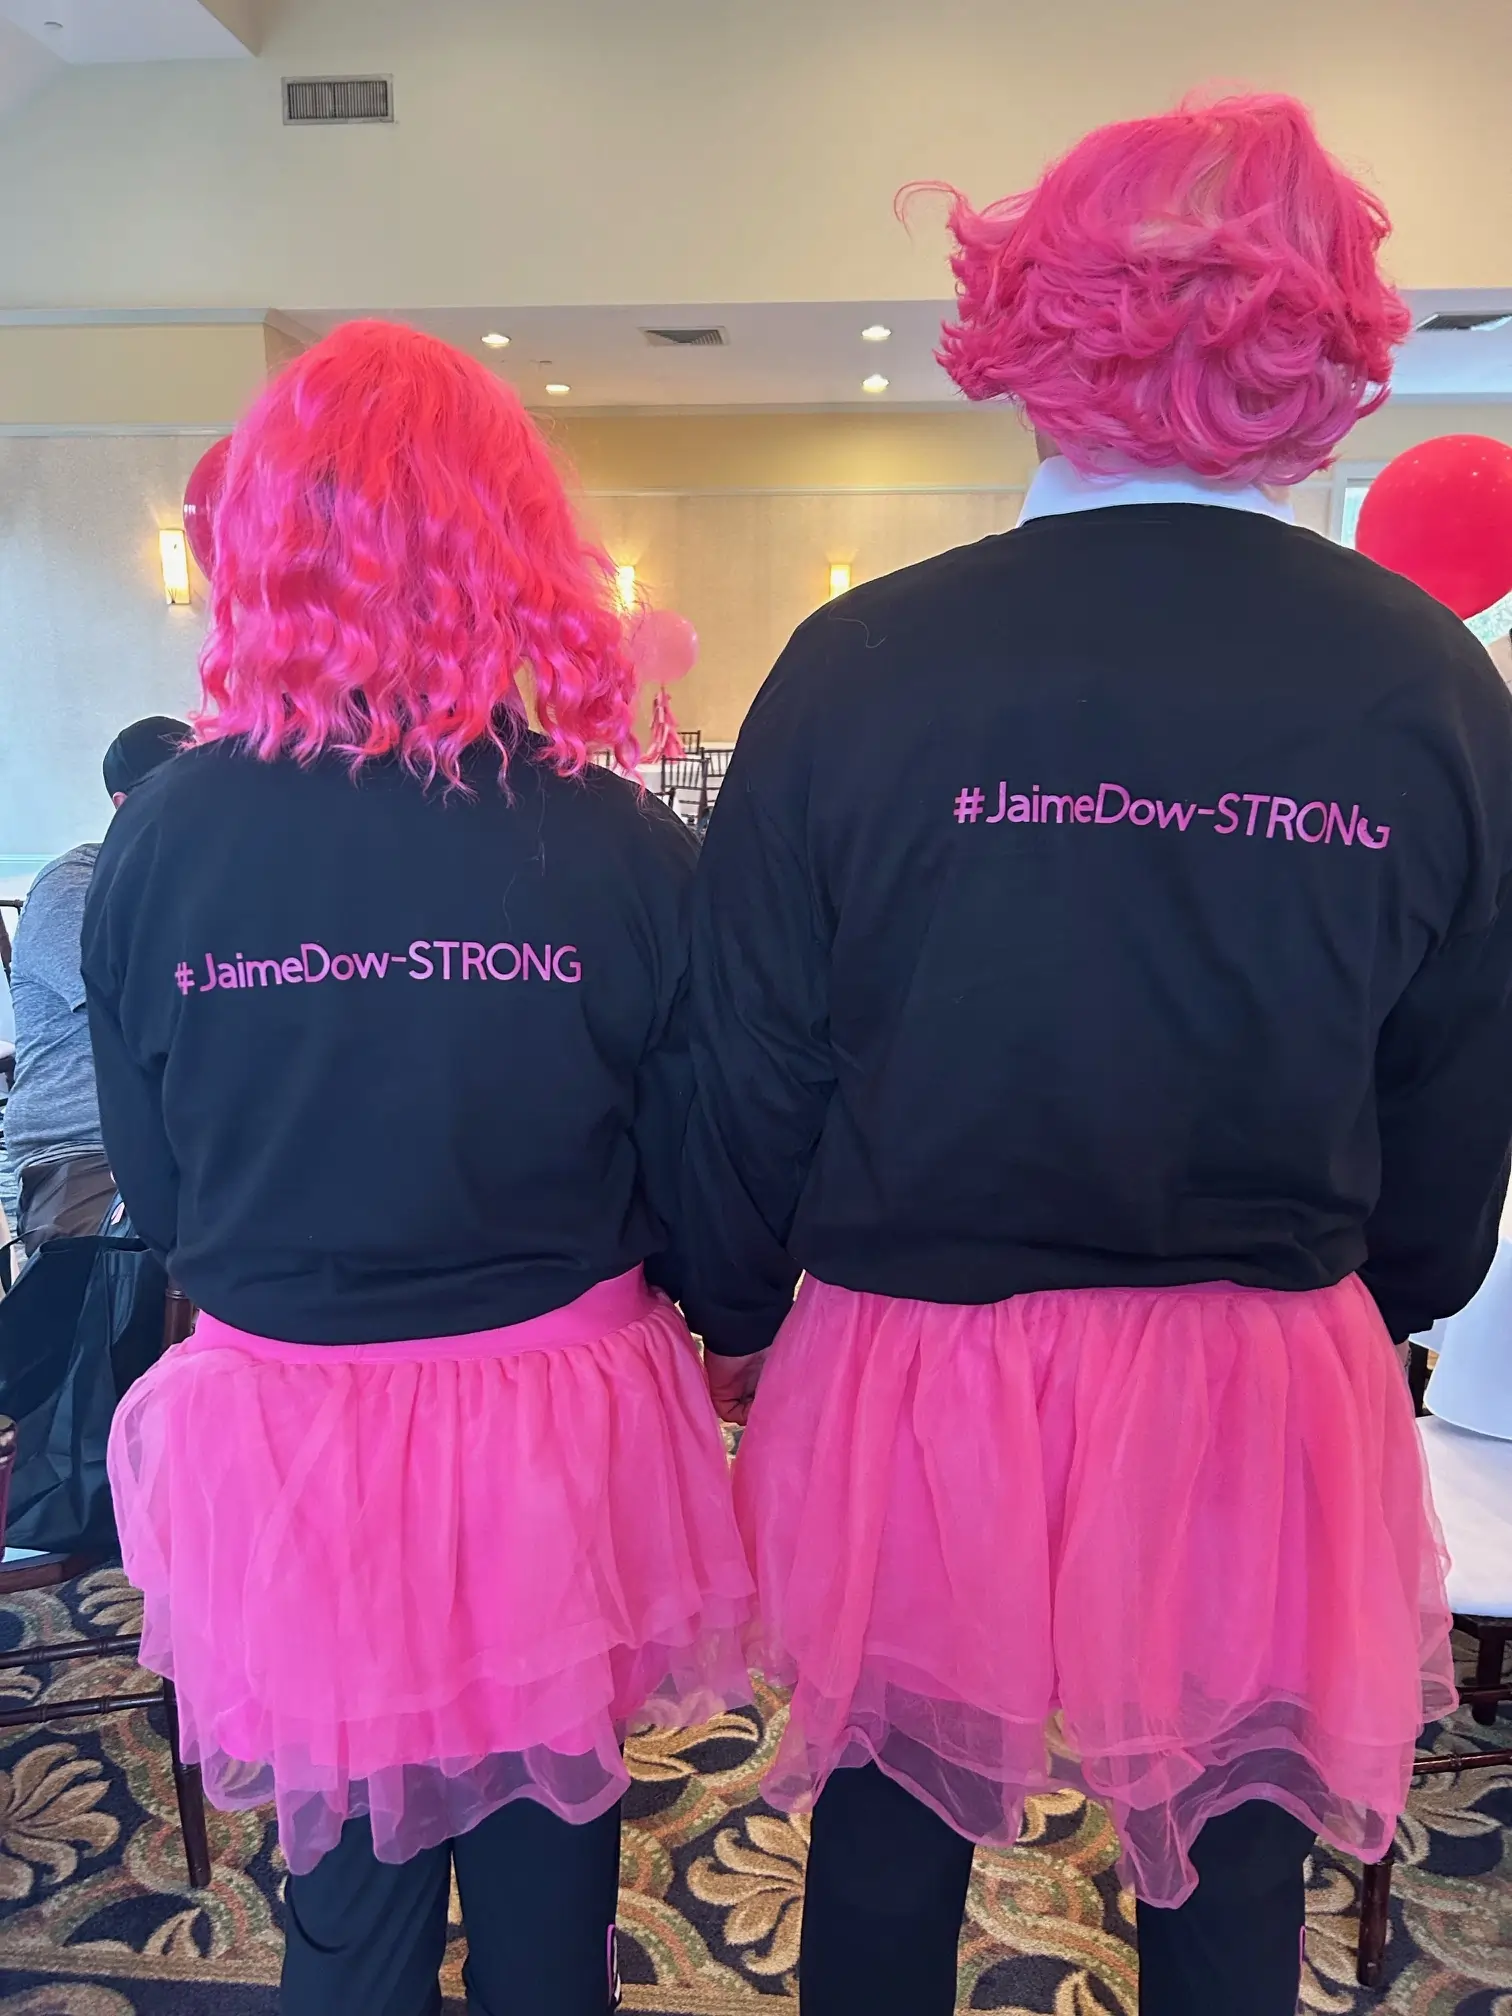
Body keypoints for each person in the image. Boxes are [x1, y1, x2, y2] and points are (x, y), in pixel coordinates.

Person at [682, 95, 1512, 2016]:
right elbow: (1449, 1103)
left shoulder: (862, 663)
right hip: (1251, 1353)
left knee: (882, 1842)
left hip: (913, 1355)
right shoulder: (1426, 682)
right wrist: (1351, 1297)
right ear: (1327, 339)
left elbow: (753, 1054)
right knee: (1230, 1868)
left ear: (1029, 319)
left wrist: (730, 1302)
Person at [83, 322, 752, 2016]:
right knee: (547, 1895)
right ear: (517, 543)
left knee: (350, 1895)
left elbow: (161, 1200)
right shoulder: (615, 839)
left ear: (261, 545)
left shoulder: (161, 833)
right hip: (552, 1417)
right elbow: (688, 1177)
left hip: (290, 1419)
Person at [4, 717, 187, 1256]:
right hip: (85, 1148)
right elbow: (154, 1009)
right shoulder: (75, 884)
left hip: (194, 1144)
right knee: (112, 1309)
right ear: (124, 805)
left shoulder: (205, 884)